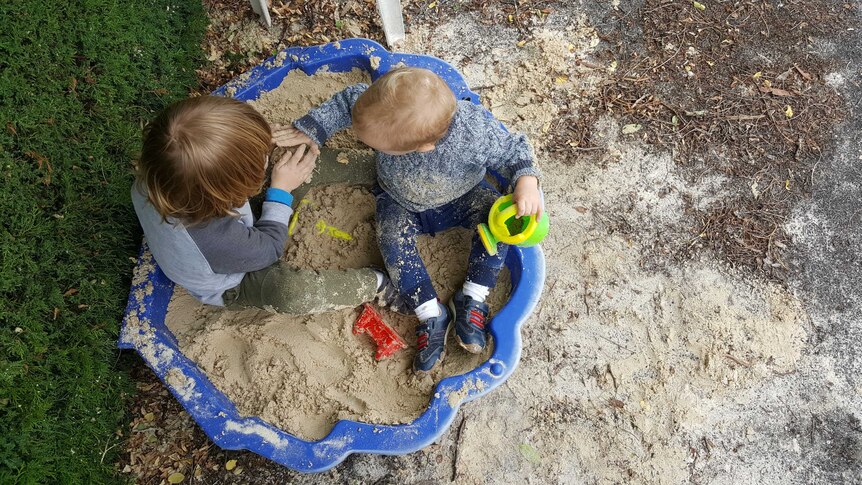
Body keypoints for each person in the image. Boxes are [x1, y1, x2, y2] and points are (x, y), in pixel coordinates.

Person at [278, 67, 543, 373]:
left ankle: (473, 296)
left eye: (379, 147)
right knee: (391, 238)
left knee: (498, 227)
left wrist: (526, 182)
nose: (372, 147)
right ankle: (431, 313)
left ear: (422, 148)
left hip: (463, 197)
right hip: (399, 200)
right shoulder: (379, 108)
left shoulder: (474, 132)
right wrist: (313, 127)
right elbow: (349, 102)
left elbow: (515, 148)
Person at [132, 95, 405, 315]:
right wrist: (280, 190)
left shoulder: (162, 174)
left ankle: (390, 174)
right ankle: (374, 283)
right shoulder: (212, 237)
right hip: (233, 280)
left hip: (220, 224)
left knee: (293, 162)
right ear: (228, 193)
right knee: (290, 292)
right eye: (259, 159)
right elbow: (269, 249)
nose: (267, 155)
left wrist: (255, 148)